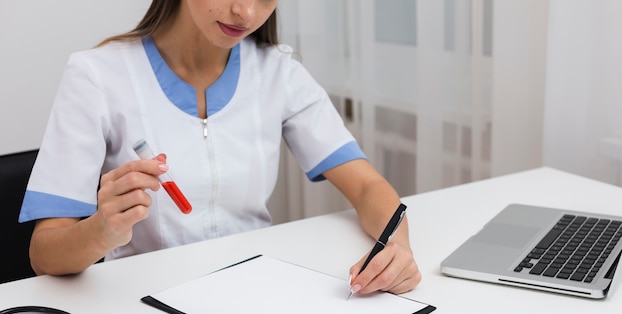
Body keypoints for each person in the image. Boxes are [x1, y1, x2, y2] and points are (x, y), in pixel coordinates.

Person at [19, 0, 422, 294]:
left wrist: (396, 245)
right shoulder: (96, 75)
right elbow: (45, 254)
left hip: (251, 293)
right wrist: (102, 231)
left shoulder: (277, 71)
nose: (246, 13)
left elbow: (367, 186)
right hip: (141, 303)